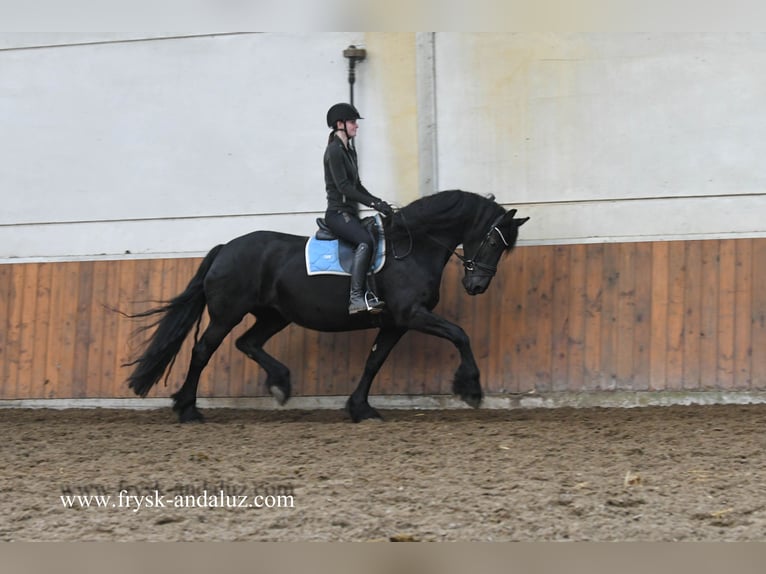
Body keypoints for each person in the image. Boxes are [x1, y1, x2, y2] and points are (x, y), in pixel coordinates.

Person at [323, 102, 395, 315]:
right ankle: (356, 298)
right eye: (353, 122)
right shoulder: (334, 151)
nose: (356, 126)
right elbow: (344, 187)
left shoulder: (349, 151)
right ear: (340, 124)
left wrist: (378, 202)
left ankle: (371, 292)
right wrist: (372, 203)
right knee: (364, 240)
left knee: (375, 235)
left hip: (351, 213)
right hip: (337, 214)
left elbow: (357, 185)